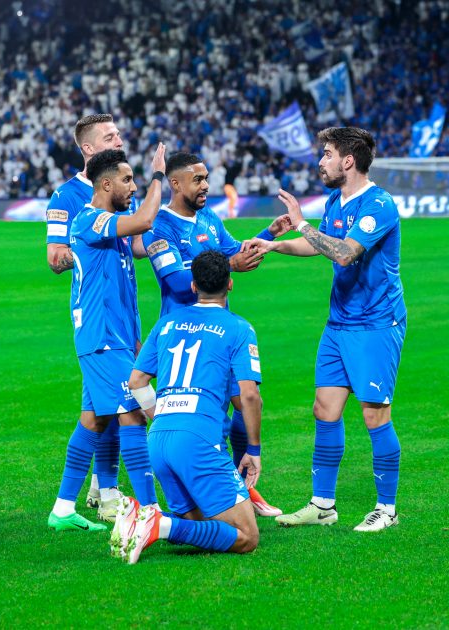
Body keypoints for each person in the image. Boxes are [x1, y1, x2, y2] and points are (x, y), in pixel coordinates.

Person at [243, 127, 406, 531]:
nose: (321, 161)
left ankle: (387, 509)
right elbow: (320, 244)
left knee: (374, 416)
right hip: (340, 323)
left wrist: (301, 225)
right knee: (324, 408)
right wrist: (275, 244)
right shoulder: (336, 200)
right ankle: (323, 505)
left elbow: (345, 253)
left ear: (348, 161)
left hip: (375, 323)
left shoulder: (379, 205)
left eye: (328, 154)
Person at [142, 151, 291, 517]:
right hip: (183, 335)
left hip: (219, 329)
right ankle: (197, 494)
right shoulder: (160, 227)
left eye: (206, 177)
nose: (206, 185)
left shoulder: (209, 217)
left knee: (243, 402)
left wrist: (267, 234)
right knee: (207, 416)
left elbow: (232, 252)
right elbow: (178, 283)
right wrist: (230, 265)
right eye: (198, 179)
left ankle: (241, 489)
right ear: (175, 184)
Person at [112, 250, 263, 563]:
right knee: (246, 536)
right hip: (198, 440)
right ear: (231, 284)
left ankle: (146, 521)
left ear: (193, 286)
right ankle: (156, 521)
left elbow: (137, 380)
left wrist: (162, 417)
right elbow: (249, 395)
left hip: (160, 438)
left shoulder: (167, 323)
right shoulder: (238, 328)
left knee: (198, 526)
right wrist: (254, 449)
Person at [47, 145, 165, 532]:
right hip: (100, 339)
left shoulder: (110, 223)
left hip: (116, 338)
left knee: (93, 421)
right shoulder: (89, 220)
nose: (132, 187)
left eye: (135, 180)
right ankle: (149, 512)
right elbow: (146, 220)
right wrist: (159, 177)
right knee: (131, 415)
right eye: (127, 180)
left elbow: (139, 246)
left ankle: (63, 508)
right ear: (106, 183)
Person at [45, 114, 131, 522]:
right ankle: (112, 490)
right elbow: (54, 258)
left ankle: (82, 498)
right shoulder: (66, 198)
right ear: (88, 149)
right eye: (110, 136)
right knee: (127, 405)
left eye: (118, 133)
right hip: (97, 316)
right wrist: (82, 249)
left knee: (99, 411)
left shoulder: (121, 189)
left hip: (122, 312)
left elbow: (137, 241)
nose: (119, 138)